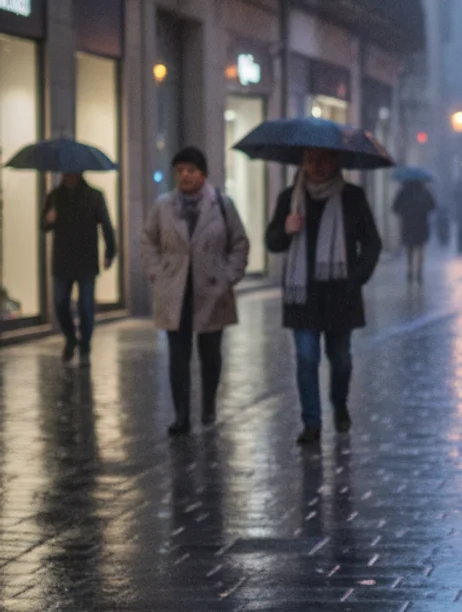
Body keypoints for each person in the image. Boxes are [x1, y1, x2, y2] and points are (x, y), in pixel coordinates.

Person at [266, 148, 382, 445]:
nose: (316, 166)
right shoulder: (289, 199)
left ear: (335, 162)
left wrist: (356, 277)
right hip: (302, 295)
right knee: (306, 358)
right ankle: (312, 424)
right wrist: (286, 229)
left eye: (323, 159)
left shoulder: (351, 197)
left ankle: (339, 403)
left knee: (340, 360)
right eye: (310, 159)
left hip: (340, 294)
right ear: (303, 162)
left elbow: (372, 243)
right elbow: (272, 242)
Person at [142, 147, 250, 435]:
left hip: (211, 291)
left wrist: (228, 277)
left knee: (210, 354)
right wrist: (157, 273)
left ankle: (208, 405)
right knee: (178, 355)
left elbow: (239, 243)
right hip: (175, 291)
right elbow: (148, 241)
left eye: (190, 170)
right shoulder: (163, 206)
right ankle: (181, 415)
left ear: (203, 174)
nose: (185, 176)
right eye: (180, 171)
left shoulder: (222, 205)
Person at [42, 172, 117, 365]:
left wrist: (110, 252)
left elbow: (106, 225)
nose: (67, 177)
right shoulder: (55, 196)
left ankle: (85, 346)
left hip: (86, 261)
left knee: (85, 306)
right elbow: (43, 225)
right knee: (60, 303)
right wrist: (49, 220)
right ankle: (71, 338)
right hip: (62, 260)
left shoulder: (94, 196)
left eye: (71, 173)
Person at [393, 179, 437, 283]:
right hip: (422, 224)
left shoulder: (403, 193)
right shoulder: (425, 192)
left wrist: (403, 212)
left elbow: (395, 208)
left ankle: (410, 270)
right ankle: (419, 272)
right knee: (421, 248)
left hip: (408, 224)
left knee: (410, 248)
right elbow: (433, 206)